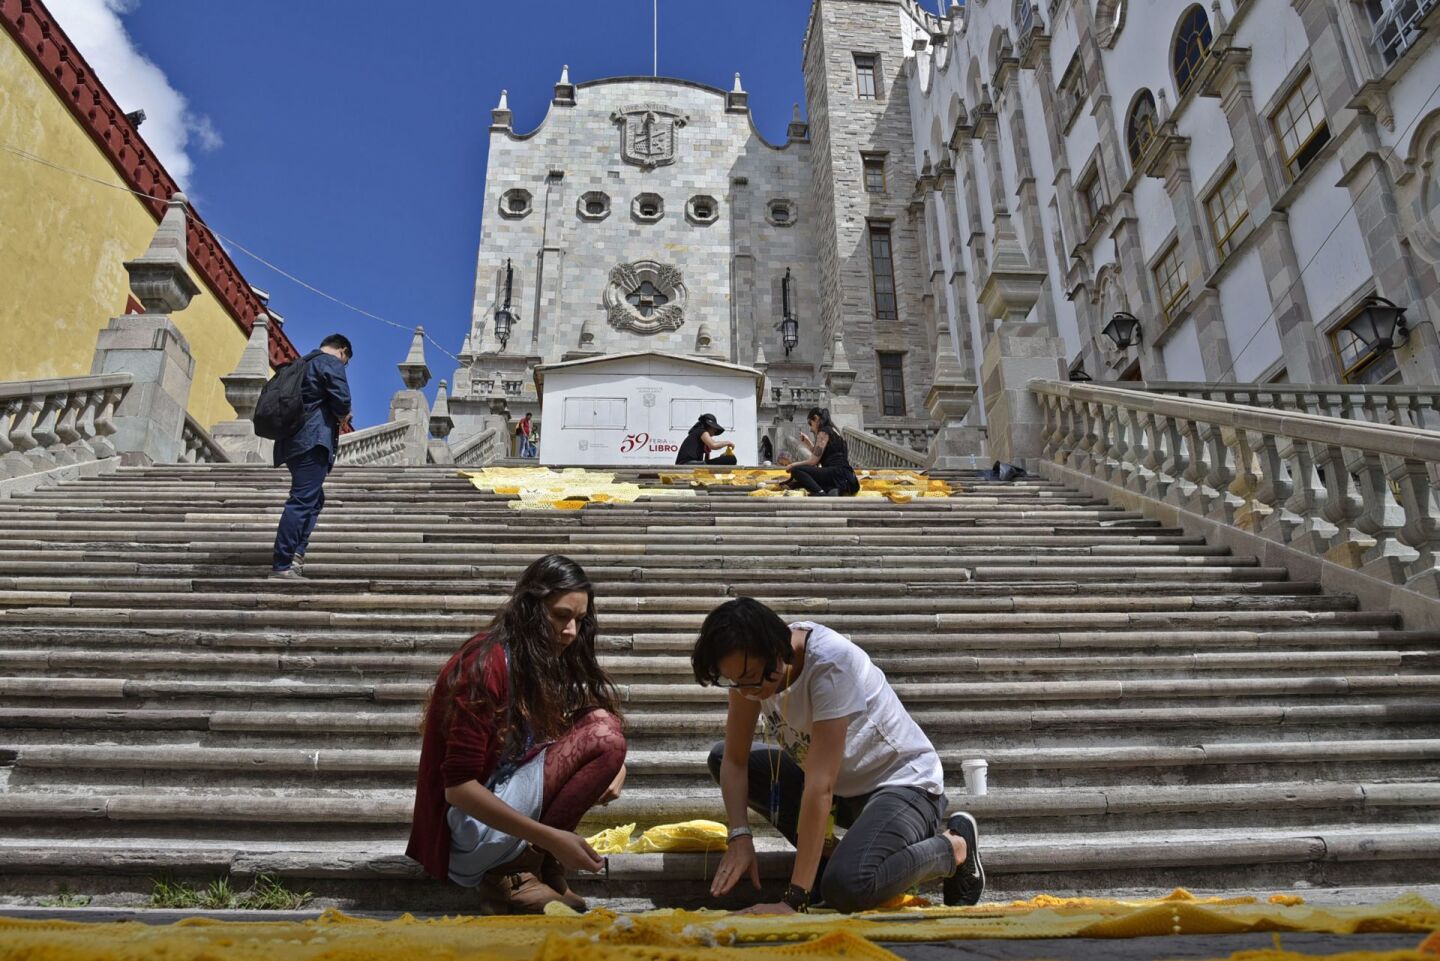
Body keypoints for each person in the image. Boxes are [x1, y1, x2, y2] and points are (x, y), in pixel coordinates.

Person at [691, 597, 984, 914]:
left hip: (904, 785)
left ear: (775, 648)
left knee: (846, 888)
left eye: (752, 677)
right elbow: (735, 761)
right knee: (720, 757)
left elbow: (820, 786)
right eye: (735, 682)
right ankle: (832, 860)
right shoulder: (750, 674)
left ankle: (954, 847)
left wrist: (794, 899)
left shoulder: (830, 663)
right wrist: (739, 836)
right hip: (841, 791)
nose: (748, 692)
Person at [407, 554, 627, 915]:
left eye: (579, 620)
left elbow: (581, 724)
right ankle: (512, 872)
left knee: (602, 725)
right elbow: (458, 788)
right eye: (560, 616)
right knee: (604, 737)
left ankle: (536, 865)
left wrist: (617, 766)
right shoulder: (484, 665)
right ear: (529, 608)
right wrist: (551, 838)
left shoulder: (530, 659)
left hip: (497, 807)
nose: (571, 631)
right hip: (463, 833)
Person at [270, 333, 353, 579]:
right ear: (343, 351)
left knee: (314, 499)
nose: (344, 364)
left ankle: (295, 553)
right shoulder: (331, 362)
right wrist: (344, 413)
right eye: (346, 360)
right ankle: (283, 563)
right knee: (302, 500)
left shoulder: (302, 363)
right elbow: (342, 400)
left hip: (291, 442)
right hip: (313, 440)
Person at [785, 407, 858, 496]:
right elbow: (820, 456)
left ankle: (820, 492)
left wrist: (792, 465)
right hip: (848, 477)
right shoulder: (835, 431)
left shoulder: (823, 432)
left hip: (838, 474)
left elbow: (813, 461)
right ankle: (831, 489)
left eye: (810, 424)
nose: (811, 429)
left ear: (816, 418)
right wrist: (808, 442)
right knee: (800, 482)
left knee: (796, 470)